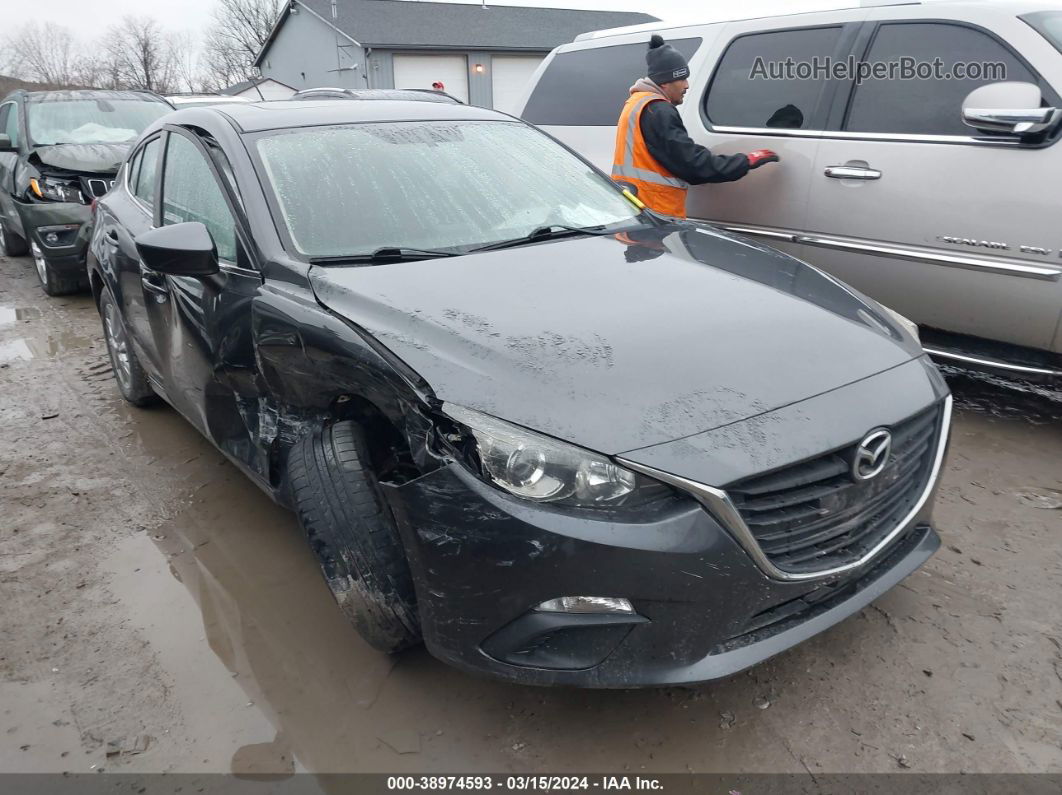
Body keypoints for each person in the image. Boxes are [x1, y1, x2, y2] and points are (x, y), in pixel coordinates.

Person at [613, 35, 780, 218]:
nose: (687, 85)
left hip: (634, 207)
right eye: (682, 79)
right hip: (655, 211)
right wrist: (745, 161)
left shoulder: (637, 103)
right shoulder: (659, 111)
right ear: (665, 82)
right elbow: (693, 164)